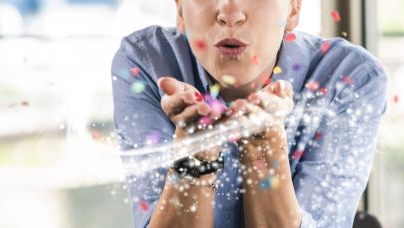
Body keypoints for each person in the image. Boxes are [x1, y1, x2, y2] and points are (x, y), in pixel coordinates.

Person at [111, 0, 387, 227]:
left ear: (293, 9)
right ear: (180, 9)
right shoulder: (148, 63)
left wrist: (265, 144)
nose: (230, 15)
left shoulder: (351, 78)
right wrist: (196, 149)